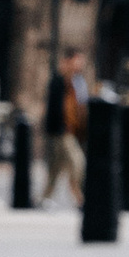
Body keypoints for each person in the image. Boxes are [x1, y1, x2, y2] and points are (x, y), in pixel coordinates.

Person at [41, 53, 90, 205]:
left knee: (56, 166)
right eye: (76, 61)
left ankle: (45, 198)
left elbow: (81, 105)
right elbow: (57, 107)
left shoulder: (78, 81)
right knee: (78, 162)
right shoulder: (60, 81)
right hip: (62, 130)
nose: (79, 65)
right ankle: (78, 196)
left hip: (74, 130)